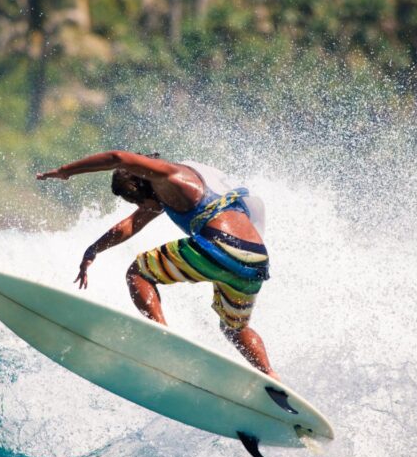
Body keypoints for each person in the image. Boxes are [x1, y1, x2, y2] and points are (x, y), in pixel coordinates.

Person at [37, 150, 278, 380]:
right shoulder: (174, 190)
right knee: (233, 328)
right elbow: (131, 224)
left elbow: (117, 158)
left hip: (221, 247)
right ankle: (270, 375)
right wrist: (94, 250)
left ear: (141, 183)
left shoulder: (171, 176)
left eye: (135, 200)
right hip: (255, 262)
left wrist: (65, 171)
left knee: (138, 272)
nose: (140, 207)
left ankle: (164, 338)